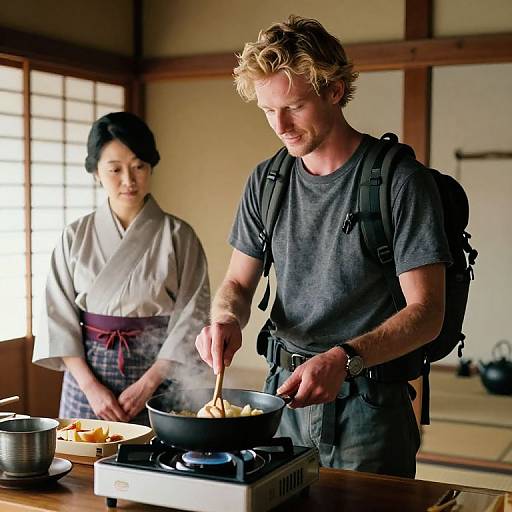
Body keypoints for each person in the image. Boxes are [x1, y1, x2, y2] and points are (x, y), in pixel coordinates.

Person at [195, 15, 451, 477]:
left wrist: (343, 359)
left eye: (293, 106)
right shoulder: (267, 180)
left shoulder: (399, 182)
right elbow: (237, 280)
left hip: (370, 403)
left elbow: (428, 312)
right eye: (267, 110)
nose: (280, 125)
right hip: (280, 397)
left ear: (334, 90)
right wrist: (224, 318)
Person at [33, 112, 210, 425]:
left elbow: (192, 315)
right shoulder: (75, 236)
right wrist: (89, 386)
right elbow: (57, 316)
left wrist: (150, 382)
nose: (128, 180)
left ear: (151, 166)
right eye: (115, 169)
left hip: (158, 373)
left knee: (159, 464)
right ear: (96, 172)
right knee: (82, 465)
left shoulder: (179, 236)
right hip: (87, 376)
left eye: (139, 166)